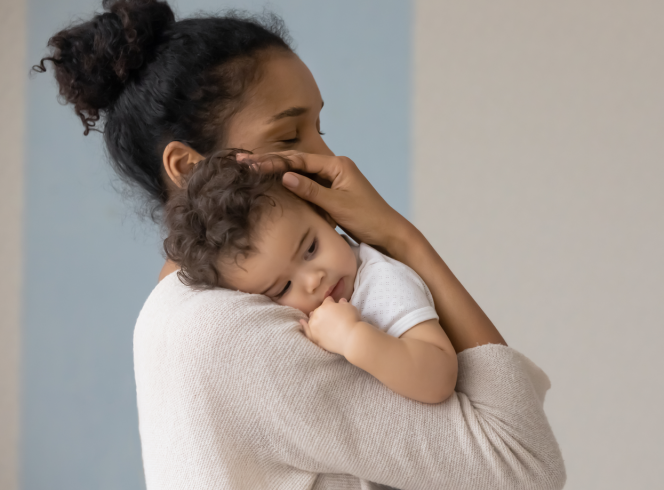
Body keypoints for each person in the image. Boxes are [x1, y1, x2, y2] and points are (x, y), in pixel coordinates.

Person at [35, 0, 567, 488]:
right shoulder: (233, 334)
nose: (334, 161)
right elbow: (522, 465)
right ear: (189, 168)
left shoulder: (194, 313)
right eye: (289, 137)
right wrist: (402, 239)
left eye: (320, 128)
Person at [162, 150, 458, 405]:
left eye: (311, 248)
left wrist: (353, 338)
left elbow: (440, 375)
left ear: (325, 215)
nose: (313, 280)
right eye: (283, 287)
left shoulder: (381, 283)